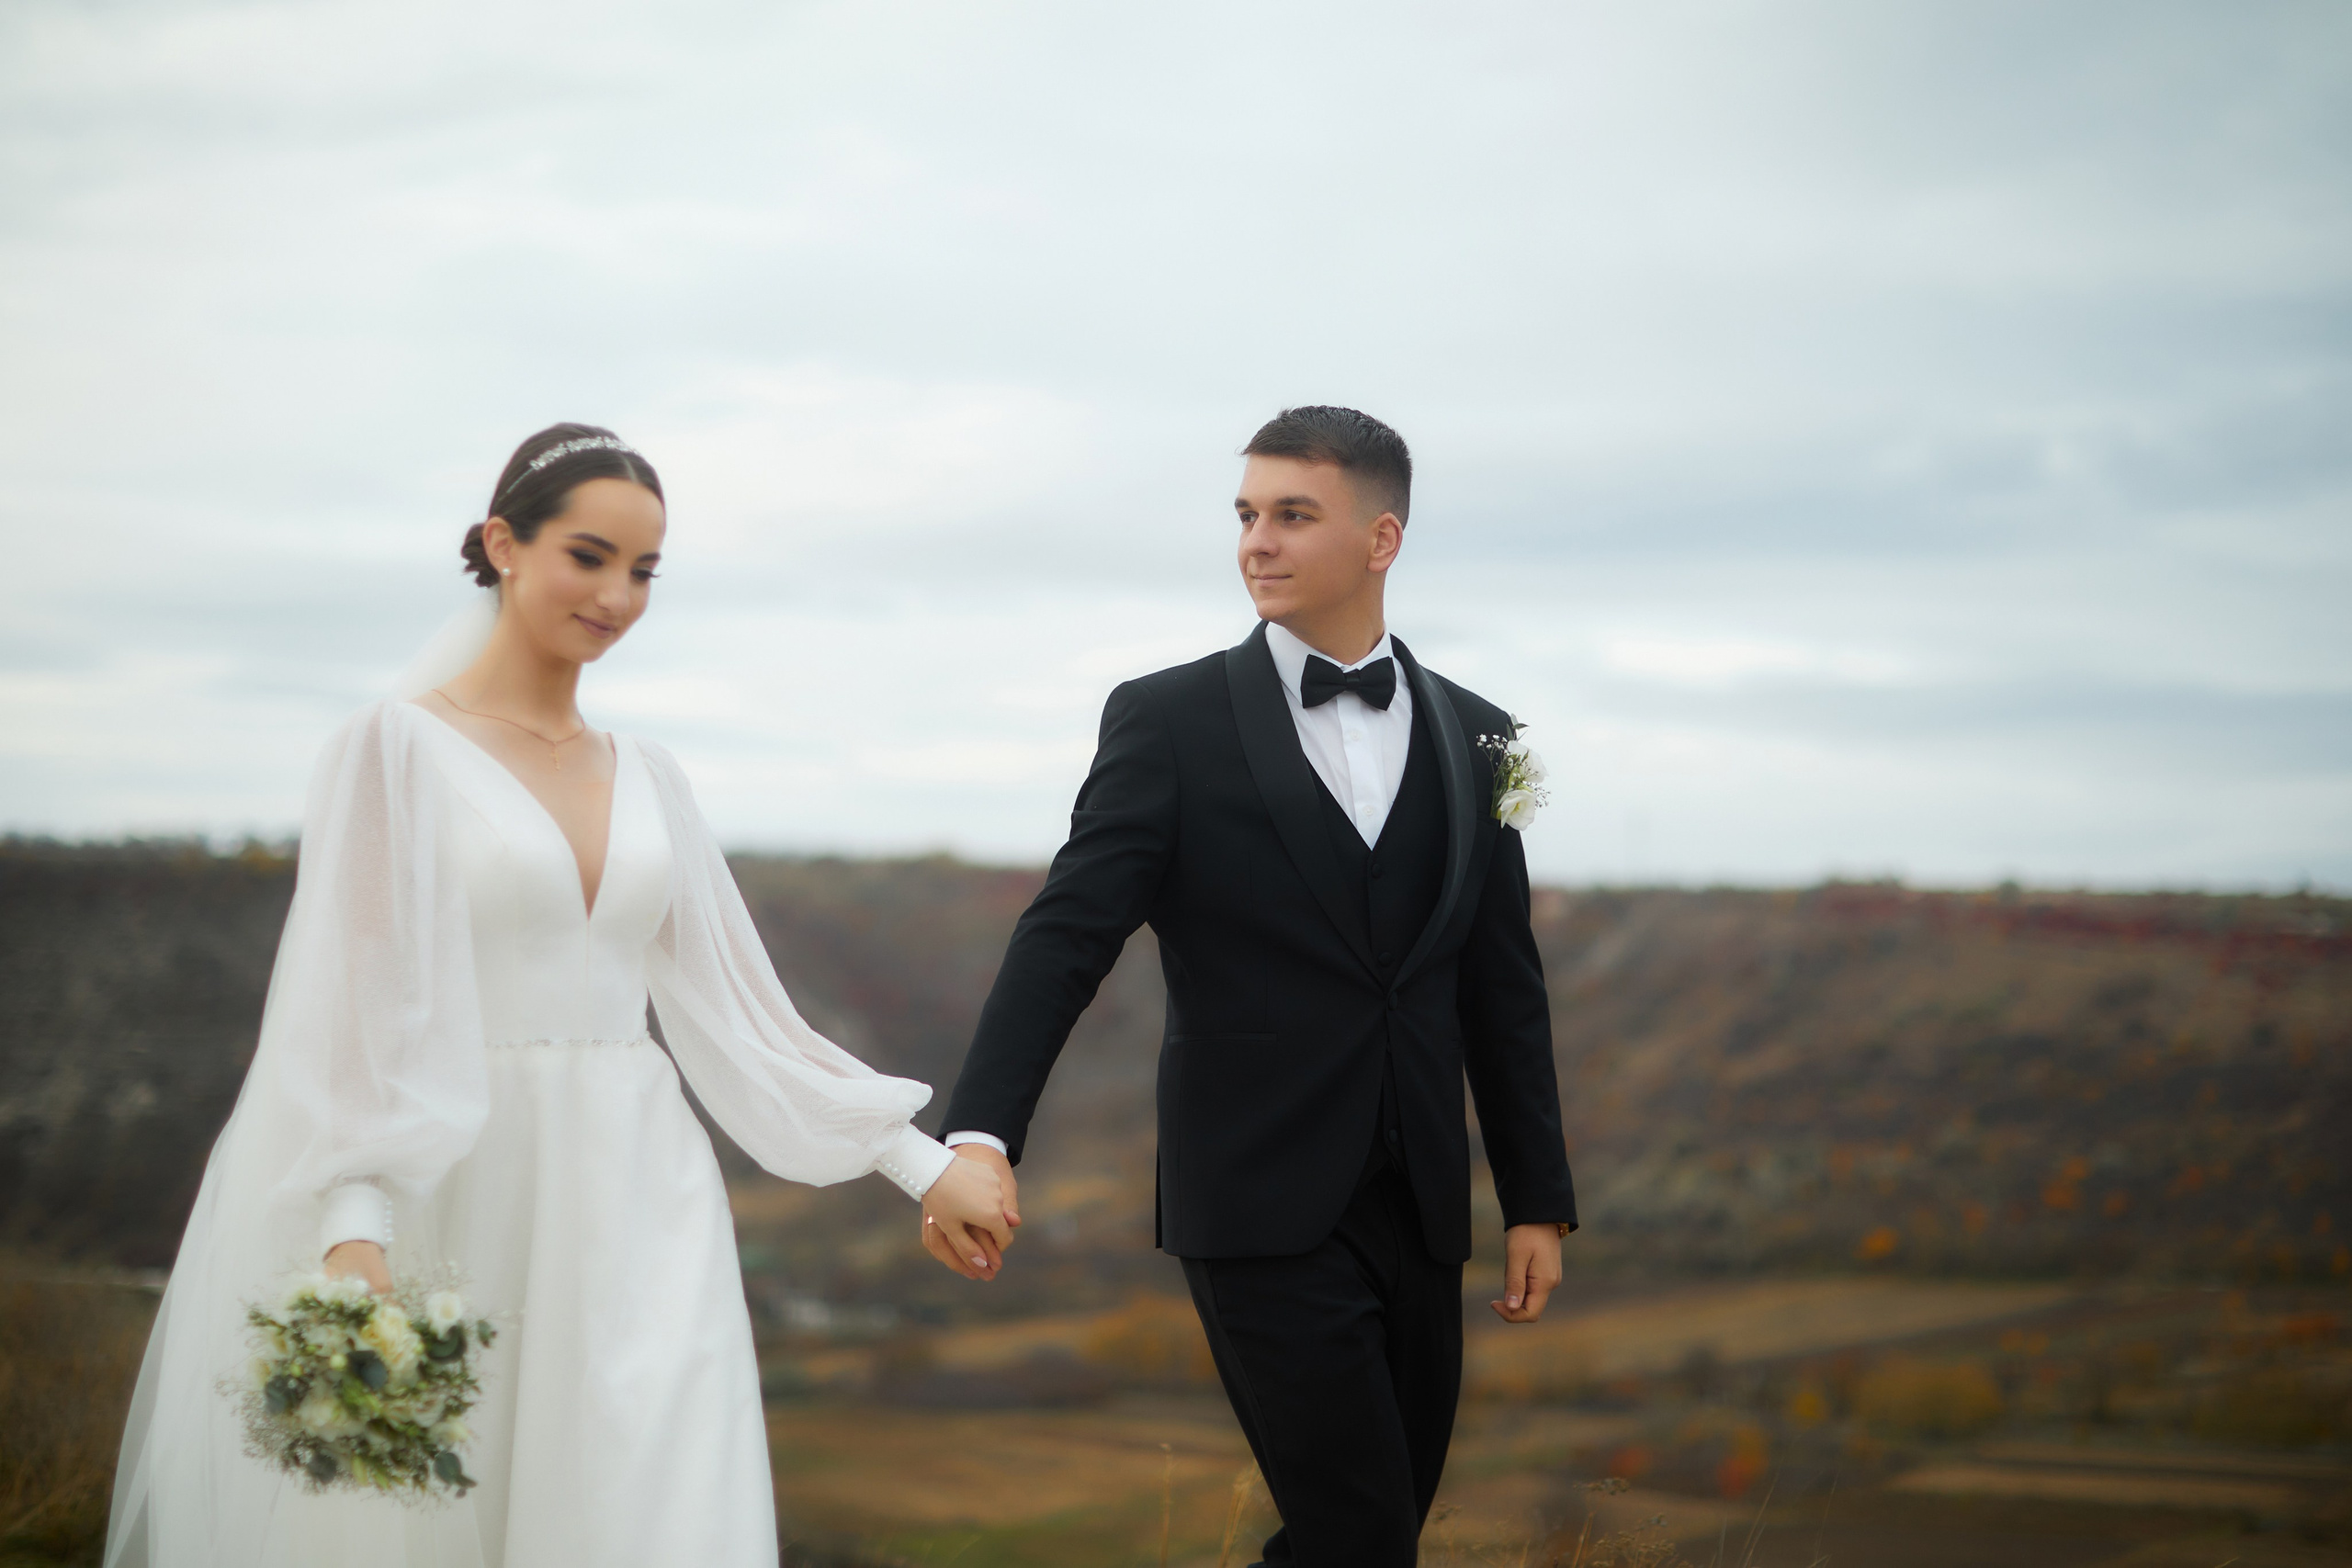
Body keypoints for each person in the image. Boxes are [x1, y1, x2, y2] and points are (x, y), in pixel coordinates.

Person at [105, 423, 1012, 1568]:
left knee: (653, 1499)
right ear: (503, 544)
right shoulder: (391, 749)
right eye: (590, 556)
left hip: (640, 1193)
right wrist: (353, 1233)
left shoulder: (652, 775)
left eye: (644, 570)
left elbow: (738, 1013)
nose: (619, 595)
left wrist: (924, 1168)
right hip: (455, 1187)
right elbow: (354, 1012)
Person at [935, 406, 1577, 1568]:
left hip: (1423, 1207)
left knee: (1379, 1531)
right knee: (1359, 1529)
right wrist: (979, 1134)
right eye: (1246, 515)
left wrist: (1536, 1196)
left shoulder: (1490, 743)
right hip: (1255, 1196)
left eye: (1293, 515)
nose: (1256, 543)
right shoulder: (1164, 720)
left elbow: (1503, 982)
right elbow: (1065, 936)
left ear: (1381, 540)